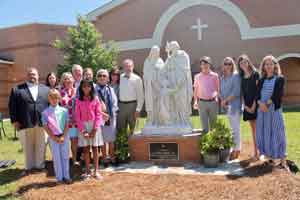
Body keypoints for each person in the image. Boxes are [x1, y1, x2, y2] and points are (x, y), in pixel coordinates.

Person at [8, 67, 49, 172]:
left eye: (34, 74)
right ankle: (29, 167)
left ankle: (40, 165)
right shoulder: (17, 90)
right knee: (27, 146)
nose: (32, 76)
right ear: (27, 76)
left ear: (38, 76)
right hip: (24, 122)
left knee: (41, 144)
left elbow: (50, 106)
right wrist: (14, 121)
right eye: (30, 74)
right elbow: (12, 106)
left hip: (42, 123)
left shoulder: (46, 89)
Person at [256, 55, 288, 170]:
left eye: (270, 64)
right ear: (263, 67)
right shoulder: (261, 80)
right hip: (263, 112)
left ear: (275, 65)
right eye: (266, 64)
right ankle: (270, 159)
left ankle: (283, 162)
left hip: (274, 110)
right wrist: (260, 104)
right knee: (265, 133)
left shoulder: (280, 78)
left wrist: (266, 104)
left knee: (278, 133)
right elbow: (257, 95)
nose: (268, 66)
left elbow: (277, 95)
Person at [75, 79, 108, 180]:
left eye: (88, 86)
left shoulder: (95, 99)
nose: (86, 88)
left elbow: (98, 114)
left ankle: (96, 171)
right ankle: (88, 170)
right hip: (83, 126)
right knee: (85, 149)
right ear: (81, 88)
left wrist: (94, 129)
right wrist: (83, 131)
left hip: (94, 125)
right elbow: (77, 116)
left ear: (91, 87)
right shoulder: (78, 100)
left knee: (95, 148)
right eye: (84, 86)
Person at [42, 89, 71, 184]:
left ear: (59, 98)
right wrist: (54, 137)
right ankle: (59, 178)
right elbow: (45, 127)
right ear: (48, 99)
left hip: (64, 137)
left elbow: (67, 124)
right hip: (53, 138)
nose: (54, 100)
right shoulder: (45, 112)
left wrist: (63, 136)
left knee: (65, 156)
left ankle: (66, 176)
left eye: (56, 98)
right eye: (52, 98)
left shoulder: (64, 110)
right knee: (56, 158)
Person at [237, 54, 260, 160]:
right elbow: (242, 93)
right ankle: (256, 152)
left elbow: (257, 91)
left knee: (259, 129)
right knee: (253, 130)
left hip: (256, 105)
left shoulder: (255, 74)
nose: (243, 64)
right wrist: (245, 106)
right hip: (247, 106)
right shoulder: (241, 77)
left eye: (245, 62)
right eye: (241, 63)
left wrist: (254, 106)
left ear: (248, 62)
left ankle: (261, 152)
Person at [220, 57, 241, 160]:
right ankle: (234, 148)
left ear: (232, 65)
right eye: (226, 64)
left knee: (235, 129)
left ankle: (237, 150)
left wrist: (225, 101)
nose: (227, 66)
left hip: (234, 106)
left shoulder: (235, 76)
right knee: (232, 128)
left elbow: (236, 92)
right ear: (223, 65)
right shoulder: (222, 77)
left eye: (229, 64)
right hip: (227, 106)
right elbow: (220, 91)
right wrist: (222, 100)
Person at [96, 69, 118, 165]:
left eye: (104, 76)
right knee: (103, 139)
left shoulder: (110, 89)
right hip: (99, 118)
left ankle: (112, 157)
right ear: (97, 78)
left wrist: (110, 114)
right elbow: (93, 105)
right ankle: (105, 158)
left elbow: (114, 103)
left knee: (111, 139)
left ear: (108, 78)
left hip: (111, 117)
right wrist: (102, 114)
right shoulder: (94, 90)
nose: (102, 77)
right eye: (100, 75)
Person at [193, 56, 219, 134]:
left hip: (213, 102)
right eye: (203, 64)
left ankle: (214, 144)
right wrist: (195, 102)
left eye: (206, 63)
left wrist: (216, 98)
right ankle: (206, 144)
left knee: (214, 126)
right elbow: (195, 90)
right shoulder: (197, 77)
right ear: (200, 65)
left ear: (209, 64)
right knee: (204, 127)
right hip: (201, 103)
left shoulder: (215, 76)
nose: (204, 65)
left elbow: (217, 89)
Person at [117, 59, 144, 134]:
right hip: (121, 106)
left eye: (130, 66)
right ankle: (123, 145)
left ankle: (135, 145)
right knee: (121, 129)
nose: (128, 68)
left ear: (133, 67)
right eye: (126, 66)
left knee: (134, 129)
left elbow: (141, 96)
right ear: (123, 67)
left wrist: (138, 110)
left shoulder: (137, 79)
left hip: (133, 106)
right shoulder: (120, 77)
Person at [60, 72, 78, 165]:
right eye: (66, 79)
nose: (68, 80)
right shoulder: (60, 92)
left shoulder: (77, 91)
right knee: (65, 141)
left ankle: (74, 159)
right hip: (64, 121)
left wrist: (75, 117)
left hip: (75, 120)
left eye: (70, 78)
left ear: (73, 80)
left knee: (74, 141)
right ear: (63, 81)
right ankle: (65, 160)